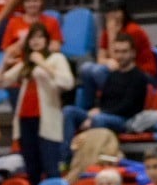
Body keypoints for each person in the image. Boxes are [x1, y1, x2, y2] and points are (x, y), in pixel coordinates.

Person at [0, 23, 74, 185]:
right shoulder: (26, 64)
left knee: (51, 166)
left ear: (46, 40)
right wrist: (4, 63)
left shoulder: (56, 58)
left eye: (40, 37)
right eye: (32, 37)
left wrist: (43, 64)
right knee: (32, 168)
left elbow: (67, 82)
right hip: (25, 120)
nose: (36, 41)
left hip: (47, 122)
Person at [61, 33, 148, 164]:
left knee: (98, 118)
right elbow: (105, 99)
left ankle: (91, 161)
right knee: (69, 111)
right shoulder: (113, 74)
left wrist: (99, 114)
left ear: (133, 53)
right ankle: (66, 160)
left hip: (125, 120)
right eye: (117, 51)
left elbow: (128, 107)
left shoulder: (139, 77)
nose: (120, 56)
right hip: (105, 114)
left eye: (124, 52)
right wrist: (94, 114)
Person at [79, 0, 157, 108]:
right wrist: (108, 61)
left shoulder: (133, 30)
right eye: (109, 12)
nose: (112, 15)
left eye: (116, 11)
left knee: (98, 71)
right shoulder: (107, 32)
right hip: (121, 71)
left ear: (123, 12)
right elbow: (101, 58)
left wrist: (112, 35)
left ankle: (110, 106)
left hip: (141, 74)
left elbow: (120, 58)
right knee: (86, 68)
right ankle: (87, 109)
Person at [0, 0, 63, 73]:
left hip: (44, 67)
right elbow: (7, 51)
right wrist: (22, 42)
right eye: (28, 1)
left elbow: (56, 47)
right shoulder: (13, 22)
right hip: (18, 69)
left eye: (35, 1)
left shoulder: (52, 22)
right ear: (23, 3)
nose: (32, 4)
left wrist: (35, 44)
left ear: (41, 2)